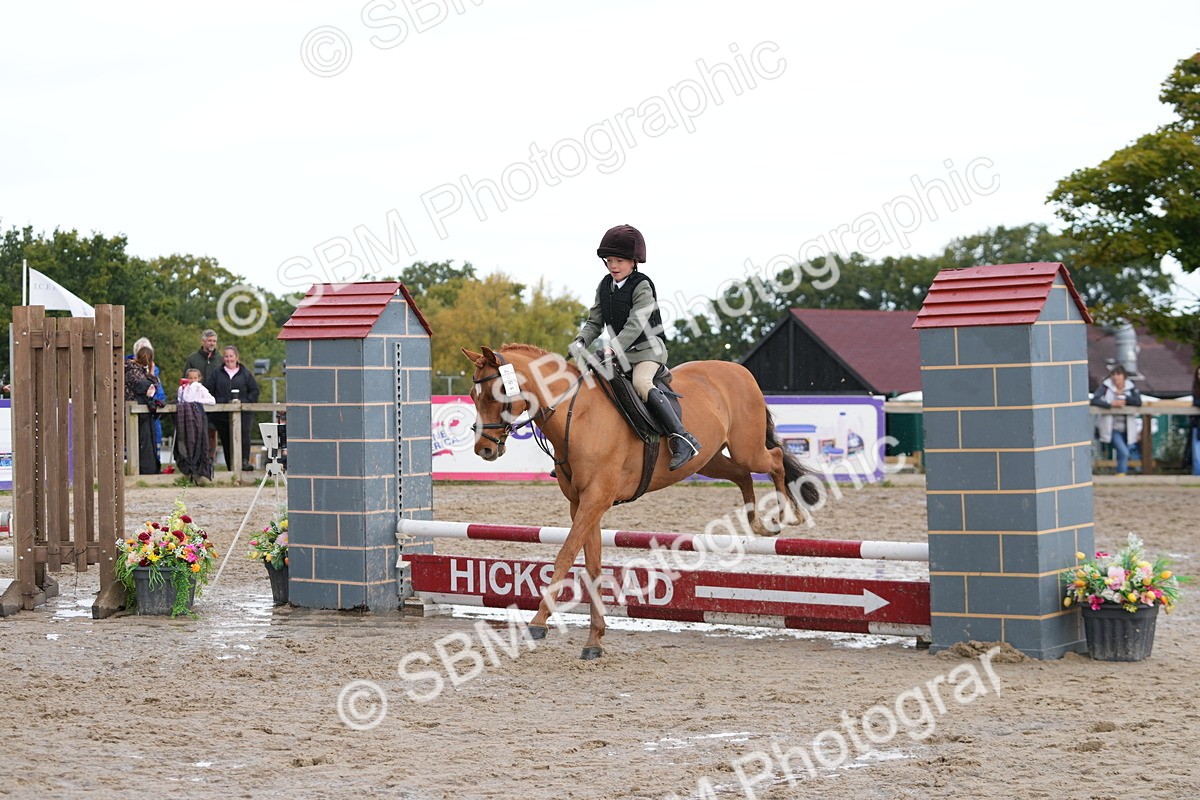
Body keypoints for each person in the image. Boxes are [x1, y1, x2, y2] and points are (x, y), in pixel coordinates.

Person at [570, 224, 700, 470]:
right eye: (609, 260)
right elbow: (595, 320)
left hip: (647, 352)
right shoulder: (604, 285)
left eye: (619, 260)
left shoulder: (642, 286)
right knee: (590, 384)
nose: (613, 266)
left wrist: (613, 347)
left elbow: (636, 323)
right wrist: (581, 340)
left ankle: (683, 438)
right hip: (621, 353)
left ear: (634, 262)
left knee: (641, 383)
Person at [205, 345, 260, 471]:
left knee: (244, 435)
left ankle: (244, 462)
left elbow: (254, 391)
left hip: (243, 413)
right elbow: (208, 391)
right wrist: (219, 403)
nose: (228, 359)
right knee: (226, 439)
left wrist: (244, 403)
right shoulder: (217, 374)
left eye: (231, 356)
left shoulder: (245, 374)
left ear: (236, 357)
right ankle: (231, 467)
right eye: (226, 356)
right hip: (222, 414)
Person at [1091, 364, 1143, 475]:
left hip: (1128, 427)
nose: (1115, 377)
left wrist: (1125, 398)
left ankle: (1124, 473)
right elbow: (1094, 400)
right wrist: (1111, 404)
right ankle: (1121, 474)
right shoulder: (1105, 386)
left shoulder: (1130, 387)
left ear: (1124, 376)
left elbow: (1138, 402)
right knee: (1124, 451)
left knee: (1124, 451)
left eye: (1118, 374)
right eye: (1113, 375)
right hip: (1112, 427)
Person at [183, 329, 221, 462]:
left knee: (212, 431)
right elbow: (185, 379)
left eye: (214, 341)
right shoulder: (193, 359)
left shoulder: (220, 359)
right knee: (196, 430)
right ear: (203, 341)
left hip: (212, 400)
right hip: (195, 402)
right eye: (210, 340)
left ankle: (210, 459)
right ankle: (195, 458)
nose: (212, 343)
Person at [124, 345, 162, 474]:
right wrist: (151, 372)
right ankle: (143, 469)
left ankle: (142, 468)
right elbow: (151, 389)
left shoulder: (129, 369)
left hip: (133, 410)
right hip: (135, 411)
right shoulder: (136, 371)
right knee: (140, 441)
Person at [174, 369, 216, 485]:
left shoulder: (200, 388)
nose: (192, 381)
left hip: (197, 417)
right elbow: (181, 400)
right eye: (190, 378)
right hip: (186, 417)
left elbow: (212, 400)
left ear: (199, 378)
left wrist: (197, 401)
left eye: (195, 378)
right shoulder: (182, 388)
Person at [130, 336, 166, 456]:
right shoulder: (130, 370)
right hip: (134, 414)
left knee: (153, 446)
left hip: (152, 416)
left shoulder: (155, 373)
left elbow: (160, 395)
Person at [1190, 365, 1200, 477]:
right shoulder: (1196, 387)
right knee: (1197, 455)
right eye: (1198, 374)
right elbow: (1196, 402)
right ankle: (1197, 476)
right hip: (1198, 425)